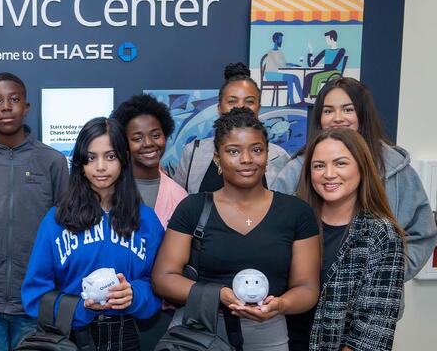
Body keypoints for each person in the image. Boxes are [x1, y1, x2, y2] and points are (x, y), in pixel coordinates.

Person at [152, 108, 321, 351]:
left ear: (266, 154)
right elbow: (163, 278)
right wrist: (217, 294)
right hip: (197, 333)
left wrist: (280, 305)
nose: (246, 159)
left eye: (256, 150)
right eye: (233, 151)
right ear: (217, 159)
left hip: (267, 335)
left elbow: (307, 287)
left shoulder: (296, 212)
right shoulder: (193, 207)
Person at [272, 77, 437, 281]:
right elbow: (273, 230)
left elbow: (422, 234)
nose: (338, 118)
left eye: (348, 109)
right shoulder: (296, 168)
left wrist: (387, 274)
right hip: (304, 298)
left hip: (373, 301)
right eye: (328, 110)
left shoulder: (395, 167)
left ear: (363, 114)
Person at [22, 117, 163, 350]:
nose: (100, 167)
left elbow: (158, 287)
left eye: (110, 156)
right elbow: (35, 295)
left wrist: (134, 295)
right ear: (80, 163)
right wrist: (80, 308)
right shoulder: (56, 220)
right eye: (91, 157)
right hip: (71, 337)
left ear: (124, 159)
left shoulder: (146, 220)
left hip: (128, 335)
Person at [0, 72, 69, 350]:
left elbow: (65, 230)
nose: (6, 106)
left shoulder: (52, 161)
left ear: (26, 107)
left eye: (14, 99)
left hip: (35, 299)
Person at [298, 128, 405, 351]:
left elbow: (374, 328)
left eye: (340, 163)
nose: (328, 174)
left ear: (362, 167)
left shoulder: (381, 233)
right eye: (319, 165)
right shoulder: (293, 220)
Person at [111, 94, 188, 349]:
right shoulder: (107, 190)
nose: (148, 144)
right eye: (137, 138)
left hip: (162, 313)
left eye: (155, 134)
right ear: (123, 143)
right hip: (112, 311)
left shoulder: (179, 196)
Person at [171, 62, 290, 194]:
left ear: (259, 108)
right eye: (232, 101)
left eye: (249, 101)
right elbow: (178, 200)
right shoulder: (193, 152)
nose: (240, 107)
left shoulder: (279, 157)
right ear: (219, 108)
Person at [303, 30, 347, 98]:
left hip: (335, 72)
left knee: (316, 77)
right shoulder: (325, 51)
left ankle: (314, 97)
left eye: (327, 39)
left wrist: (322, 65)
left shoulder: (341, 50)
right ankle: (304, 98)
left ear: (332, 39)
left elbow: (334, 65)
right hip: (326, 72)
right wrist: (310, 51)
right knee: (308, 76)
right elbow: (311, 64)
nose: (326, 41)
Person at [262, 32, 302, 105]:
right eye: (280, 39)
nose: (282, 41)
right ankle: (292, 102)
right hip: (270, 75)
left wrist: (292, 64)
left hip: (276, 74)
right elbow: (278, 64)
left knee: (295, 77)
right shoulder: (270, 52)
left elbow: (284, 63)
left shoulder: (280, 52)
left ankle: (302, 100)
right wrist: (286, 65)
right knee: (290, 78)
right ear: (276, 40)